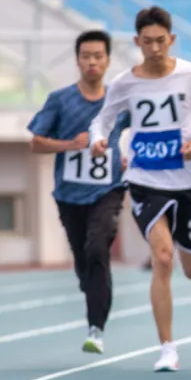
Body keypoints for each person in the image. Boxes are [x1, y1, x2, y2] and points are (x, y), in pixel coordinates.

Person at [90, 6, 191, 372]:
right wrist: (99, 140)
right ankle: (167, 348)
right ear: (137, 42)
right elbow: (104, 119)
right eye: (148, 42)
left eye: (161, 41)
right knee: (162, 257)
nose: (155, 48)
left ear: (171, 40)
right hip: (146, 179)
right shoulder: (125, 83)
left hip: (189, 180)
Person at [28, 30, 129, 355]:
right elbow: (36, 142)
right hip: (70, 195)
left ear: (107, 60)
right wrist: (69, 144)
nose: (92, 62)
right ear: (77, 60)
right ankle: (93, 293)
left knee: (98, 248)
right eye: (86, 56)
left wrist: (130, 158)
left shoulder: (118, 100)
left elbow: (143, 130)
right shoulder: (60, 100)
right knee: (85, 262)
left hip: (108, 190)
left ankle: (96, 327)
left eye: (98, 56)